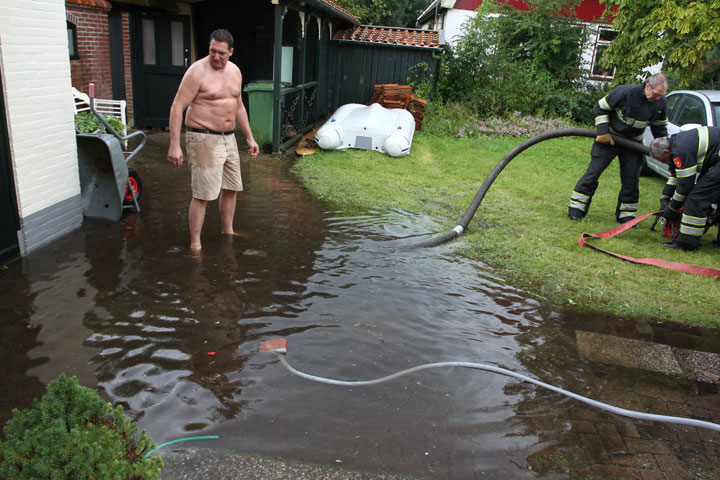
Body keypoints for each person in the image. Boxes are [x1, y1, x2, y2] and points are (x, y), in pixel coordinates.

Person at [167, 28, 259, 251]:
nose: (216, 56)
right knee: (203, 193)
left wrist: (249, 137)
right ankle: (195, 244)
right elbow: (177, 106)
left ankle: (227, 230)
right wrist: (174, 145)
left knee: (231, 188)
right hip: (203, 138)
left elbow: (238, 106)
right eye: (212, 51)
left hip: (229, 138)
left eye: (221, 53)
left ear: (231, 52)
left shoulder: (235, 72)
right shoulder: (197, 72)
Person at [569, 73, 669, 223]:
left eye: (660, 96)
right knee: (593, 173)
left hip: (633, 145)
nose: (657, 98)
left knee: (631, 180)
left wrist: (665, 148)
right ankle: (576, 209)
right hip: (609, 140)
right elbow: (600, 108)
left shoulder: (660, 103)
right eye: (655, 94)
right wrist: (603, 131)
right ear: (648, 86)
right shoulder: (625, 92)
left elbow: (660, 128)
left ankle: (626, 216)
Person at [649, 126, 720, 251]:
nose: (664, 163)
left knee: (696, 199)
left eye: (662, 160)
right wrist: (664, 198)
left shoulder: (680, 151)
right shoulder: (675, 143)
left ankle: (687, 243)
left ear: (666, 152)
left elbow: (685, 186)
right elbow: (677, 175)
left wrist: (672, 208)